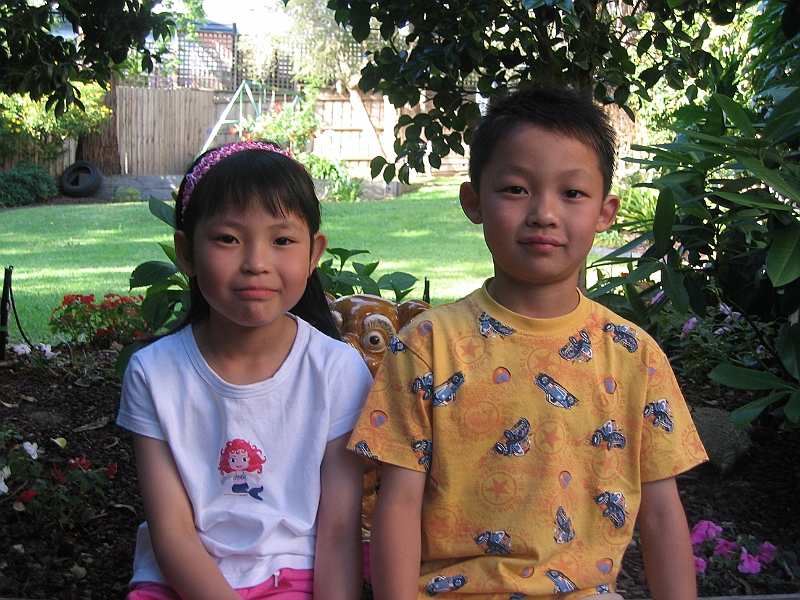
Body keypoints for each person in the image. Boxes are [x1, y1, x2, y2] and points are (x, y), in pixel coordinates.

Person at [348, 86, 708, 600]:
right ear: (473, 201)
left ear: (605, 212)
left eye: (572, 193)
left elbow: (662, 514)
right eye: (516, 189)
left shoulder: (633, 356)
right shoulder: (427, 346)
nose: (544, 212)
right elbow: (399, 505)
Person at [117, 141, 372, 600]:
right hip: (182, 579)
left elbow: (338, 531)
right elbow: (172, 533)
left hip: (295, 574)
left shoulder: (337, 371)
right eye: (228, 239)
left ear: (313, 253)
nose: (256, 263)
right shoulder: (154, 374)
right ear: (186, 252)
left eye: (282, 240)